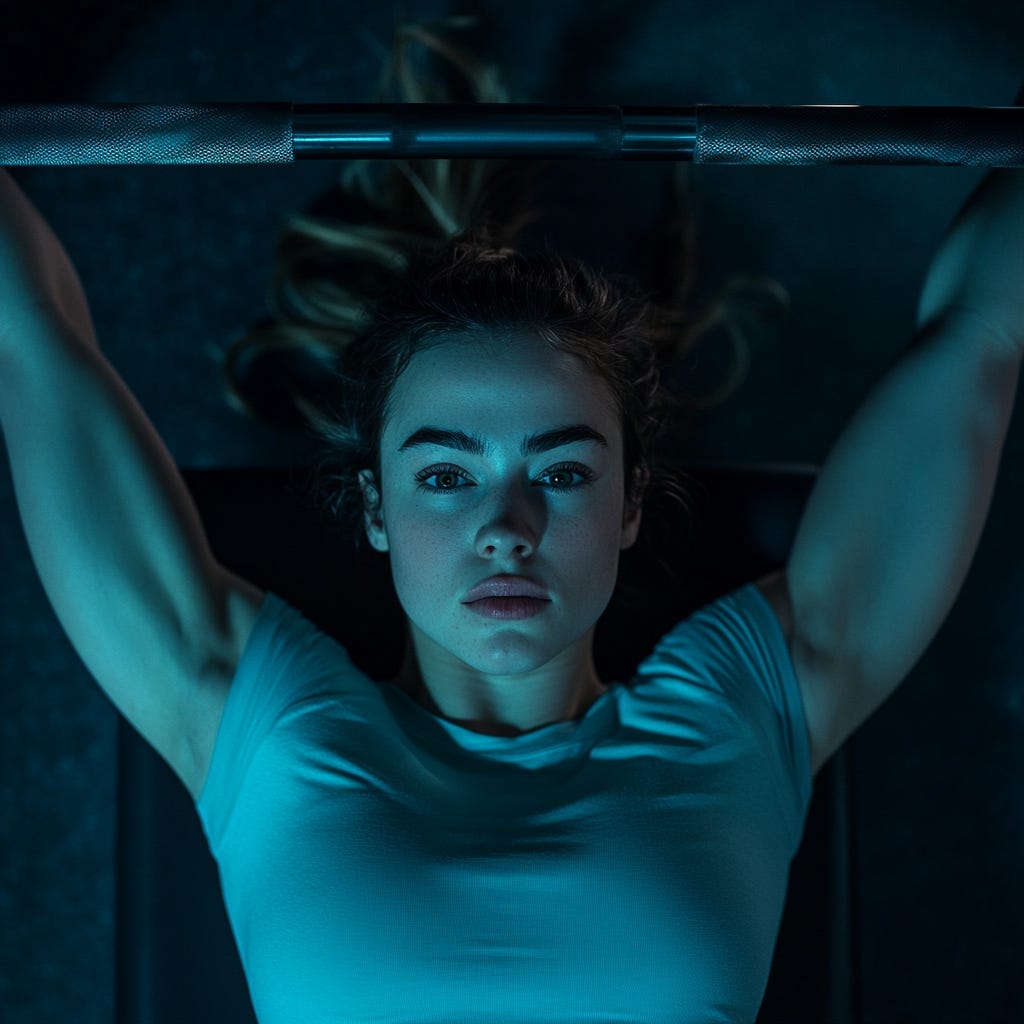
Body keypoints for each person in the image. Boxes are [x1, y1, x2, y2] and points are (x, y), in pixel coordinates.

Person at [2, 16, 1020, 1024]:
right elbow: (24, 338)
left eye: (563, 472)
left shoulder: (737, 718)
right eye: (446, 477)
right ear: (376, 509)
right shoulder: (266, 731)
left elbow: (981, 337)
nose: (507, 525)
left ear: (627, 504)